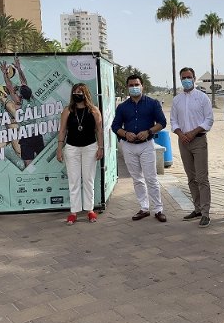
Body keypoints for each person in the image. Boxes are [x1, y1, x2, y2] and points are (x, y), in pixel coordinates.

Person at [112, 74, 168, 222]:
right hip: (128, 146)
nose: (134, 87)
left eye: (136, 85)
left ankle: (158, 209)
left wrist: (149, 131)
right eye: (131, 85)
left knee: (151, 178)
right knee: (137, 179)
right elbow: (115, 126)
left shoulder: (153, 103)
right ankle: (144, 208)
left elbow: (162, 122)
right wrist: (125, 133)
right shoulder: (122, 107)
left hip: (147, 145)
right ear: (127, 87)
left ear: (142, 86)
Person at [171, 67, 214, 228]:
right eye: (183, 77)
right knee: (191, 178)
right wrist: (180, 134)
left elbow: (209, 120)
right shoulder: (177, 100)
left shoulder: (202, 98)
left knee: (202, 178)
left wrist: (193, 132)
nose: (186, 80)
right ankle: (197, 209)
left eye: (189, 77)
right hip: (183, 142)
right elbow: (173, 121)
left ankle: (205, 213)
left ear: (194, 78)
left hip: (199, 141)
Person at [56, 83, 104, 225]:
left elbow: (99, 130)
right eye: (75, 92)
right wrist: (59, 148)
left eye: (80, 92)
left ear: (86, 94)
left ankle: (90, 210)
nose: (77, 94)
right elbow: (62, 130)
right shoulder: (67, 110)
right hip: (71, 148)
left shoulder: (94, 110)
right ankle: (74, 212)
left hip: (90, 147)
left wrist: (100, 147)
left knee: (88, 179)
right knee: (74, 180)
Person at [0, 58, 45, 166]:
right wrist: (19, 69)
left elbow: (10, 87)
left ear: (20, 95)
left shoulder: (19, 103)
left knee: (28, 165)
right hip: (36, 135)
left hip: (26, 137)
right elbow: (24, 82)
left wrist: (5, 74)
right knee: (43, 162)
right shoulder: (32, 99)